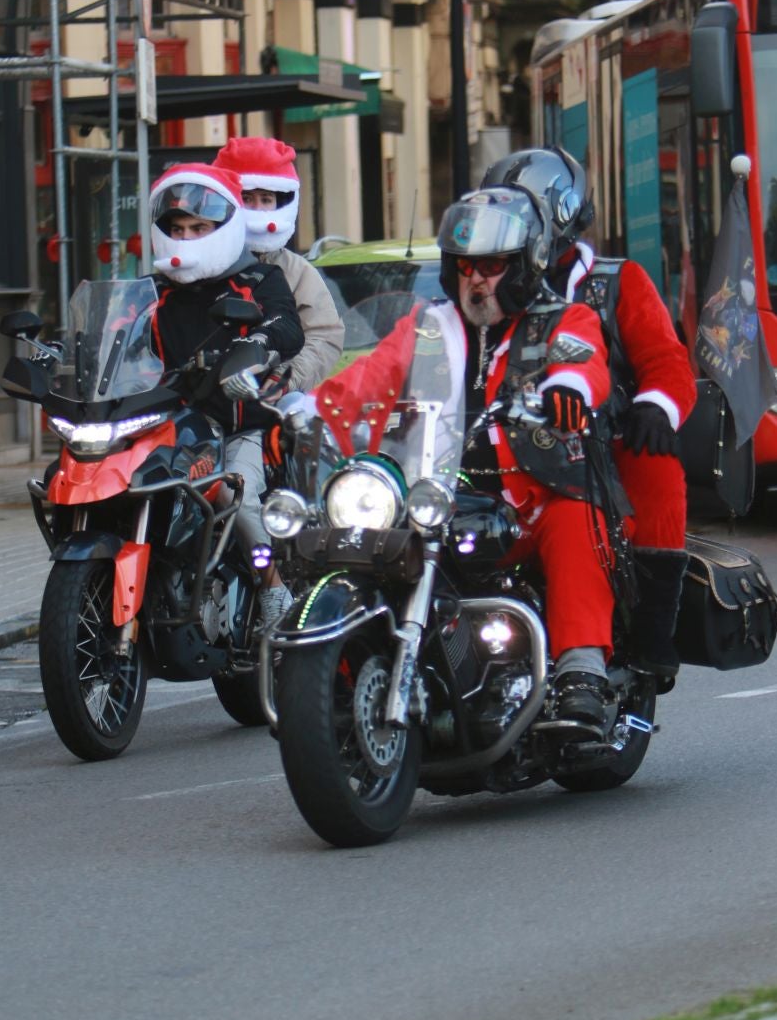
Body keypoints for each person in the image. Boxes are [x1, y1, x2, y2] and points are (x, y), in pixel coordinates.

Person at [286, 186, 619, 734]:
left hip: (529, 494)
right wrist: (310, 415)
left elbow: (583, 362)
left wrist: (569, 391)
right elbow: (370, 378)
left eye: (490, 265)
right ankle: (340, 672)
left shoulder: (561, 319)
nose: (475, 279)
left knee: (573, 518)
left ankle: (581, 669)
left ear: (523, 265)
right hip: (434, 491)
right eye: (464, 267)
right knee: (359, 539)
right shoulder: (426, 326)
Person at [483, 145, 697, 685]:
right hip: (503, 440)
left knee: (656, 466)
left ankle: (651, 631)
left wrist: (655, 408)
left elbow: (667, 361)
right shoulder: (483, 285)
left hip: (602, 438)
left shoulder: (615, 282)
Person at [148, 162, 304, 626]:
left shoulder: (257, 280)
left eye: (199, 227)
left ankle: (272, 585)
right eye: (178, 227)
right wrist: (68, 354)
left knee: (235, 494)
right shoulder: (153, 291)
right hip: (169, 425)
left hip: (238, 425)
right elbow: (118, 336)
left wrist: (255, 348)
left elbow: (286, 326)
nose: (188, 236)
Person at [211, 136, 344, 392]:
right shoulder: (198, 268)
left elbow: (324, 335)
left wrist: (281, 382)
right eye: (247, 198)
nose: (258, 210)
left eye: (266, 199)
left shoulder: (297, 271)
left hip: (266, 402)